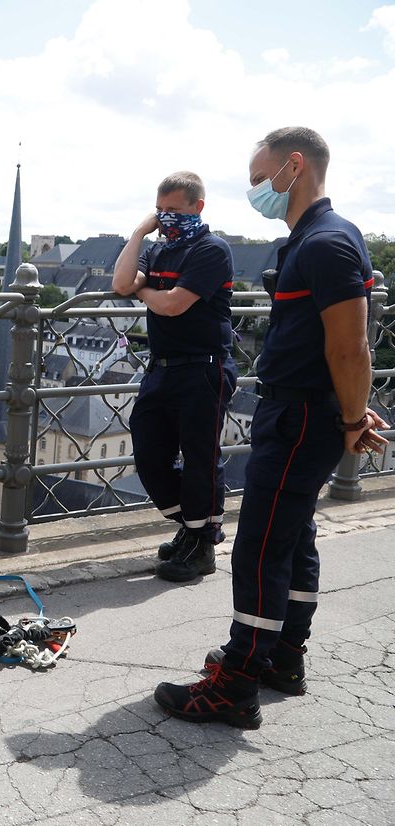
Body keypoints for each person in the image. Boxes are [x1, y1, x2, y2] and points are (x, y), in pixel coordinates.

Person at [155, 127, 388, 728]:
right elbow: (341, 346)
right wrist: (350, 412)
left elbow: (350, 348)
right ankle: (283, 656)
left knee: (259, 547)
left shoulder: (324, 244)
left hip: (299, 413)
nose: (256, 189)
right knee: (293, 536)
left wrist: (353, 415)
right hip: (306, 410)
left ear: (294, 166)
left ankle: (235, 682)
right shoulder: (323, 238)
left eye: (260, 178)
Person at [113, 172, 237, 582]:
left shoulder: (211, 249)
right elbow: (120, 283)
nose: (165, 218)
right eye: (160, 210)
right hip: (162, 367)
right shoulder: (160, 250)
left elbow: (171, 305)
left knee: (201, 456)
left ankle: (200, 545)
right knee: (149, 452)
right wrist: (137, 233)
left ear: (197, 207)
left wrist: (145, 294)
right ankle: (196, 526)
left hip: (204, 366)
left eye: (174, 210)